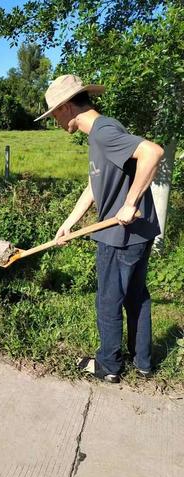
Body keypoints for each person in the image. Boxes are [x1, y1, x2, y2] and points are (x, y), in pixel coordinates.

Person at [35, 75, 163, 383]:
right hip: (138, 234)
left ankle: (108, 366)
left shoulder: (103, 132)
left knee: (108, 300)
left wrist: (130, 202)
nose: (54, 120)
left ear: (66, 107)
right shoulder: (103, 130)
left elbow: (153, 152)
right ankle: (143, 362)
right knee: (136, 296)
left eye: (53, 113)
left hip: (120, 236)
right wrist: (68, 223)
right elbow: (96, 185)